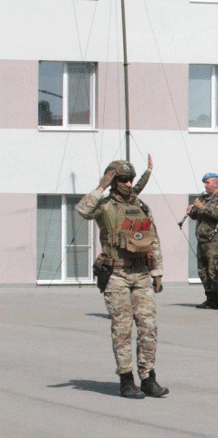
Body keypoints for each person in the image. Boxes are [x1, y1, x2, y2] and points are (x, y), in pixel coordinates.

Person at [75, 159, 168, 399]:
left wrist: (157, 272)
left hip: (141, 274)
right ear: (113, 182)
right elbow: (83, 210)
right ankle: (126, 380)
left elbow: (153, 239)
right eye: (123, 180)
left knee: (148, 327)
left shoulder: (142, 206)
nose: (128, 183)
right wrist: (100, 187)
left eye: (131, 179)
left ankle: (148, 377)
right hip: (116, 274)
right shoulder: (104, 206)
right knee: (123, 329)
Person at [189, 173, 218, 310]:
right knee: (203, 270)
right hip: (202, 239)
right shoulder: (205, 198)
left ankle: (216, 299)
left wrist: (202, 207)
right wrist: (192, 210)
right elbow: (196, 216)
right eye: (205, 183)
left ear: (216, 183)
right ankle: (209, 297)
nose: (205, 185)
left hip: (215, 240)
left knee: (214, 270)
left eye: (207, 183)